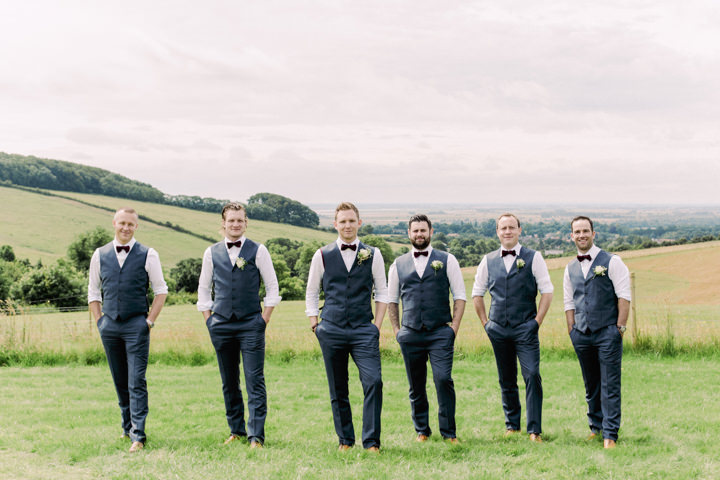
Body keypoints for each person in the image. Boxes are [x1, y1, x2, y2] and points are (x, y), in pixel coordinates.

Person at [305, 202, 388, 452]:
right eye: (343, 221)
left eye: (352, 221)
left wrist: (377, 325)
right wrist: (314, 323)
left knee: (374, 381)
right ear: (335, 225)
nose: (348, 225)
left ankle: (371, 441)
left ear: (359, 223)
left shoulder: (373, 254)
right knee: (338, 386)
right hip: (331, 328)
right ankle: (346, 441)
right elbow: (311, 290)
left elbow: (382, 291)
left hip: (364, 328)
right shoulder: (322, 254)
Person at [197, 202, 281, 449]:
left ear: (246, 223)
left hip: (251, 324)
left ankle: (257, 435)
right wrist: (209, 320)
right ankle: (236, 430)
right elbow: (203, 289)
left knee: (255, 379)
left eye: (240, 220)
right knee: (229, 380)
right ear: (223, 224)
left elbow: (272, 287)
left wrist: (263, 319)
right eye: (231, 220)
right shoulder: (211, 253)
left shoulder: (259, 250)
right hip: (220, 324)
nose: (235, 224)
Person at [88, 207, 168, 453]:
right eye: (122, 223)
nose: (125, 228)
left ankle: (138, 435)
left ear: (136, 226)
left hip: (137, 325)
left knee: (136, 380)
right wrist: (100, 321)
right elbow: (93, 292)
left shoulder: (148, 254)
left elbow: (161, 291)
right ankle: (126, 428)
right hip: (109, 325)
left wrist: (149, 321)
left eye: (130, 224)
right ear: (114, 223)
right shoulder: (99, 255)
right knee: (119, 379)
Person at [471, 213, 553, 442]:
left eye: (511, 227)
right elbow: (477, 293)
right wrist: (486, 323)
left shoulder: (533, 257)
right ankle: (512, 425)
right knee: (506, 378)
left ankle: (534, 429)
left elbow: (547, 291)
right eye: (503, 228)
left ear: (519, 230)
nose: (507, 231)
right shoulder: (488, 260)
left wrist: (537, 322)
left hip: (526, 327)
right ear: (497, 232)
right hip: (498, 328)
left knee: (532, 374)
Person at [388, 214, 466, 444]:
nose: (419, 234)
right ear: (409, 234)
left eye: (423, 230)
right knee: (416, 385)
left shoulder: (447, 260)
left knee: (443, 379)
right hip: (410, 333)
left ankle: (449, 433)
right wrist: (397, 330)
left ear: (430, 232)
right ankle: (422, 430)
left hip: (440, 331)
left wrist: (454, 328)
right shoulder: (398, 264)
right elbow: (392, 300)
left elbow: (460, 296)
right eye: (415, 231)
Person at [564, 216, 631, 449]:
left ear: (594, 234)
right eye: (577, 232)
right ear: (571, 236)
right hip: (581, 333)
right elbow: (568, 302)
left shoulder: (612, 261)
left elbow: (624, 296)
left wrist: (619, 328)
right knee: (590, 383)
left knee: (609, 383)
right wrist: (572, 330)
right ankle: (596, 427)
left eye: (585, 231)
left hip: (607, 332)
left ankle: (610, 434)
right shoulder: (570, 267)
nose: (581, 235)